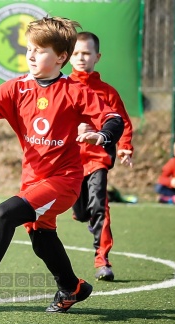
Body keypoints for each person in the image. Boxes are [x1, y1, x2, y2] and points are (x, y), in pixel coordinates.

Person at [0, 17, 125, 313]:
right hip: (33, 180)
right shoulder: (18, 88)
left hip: (63, 181)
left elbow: (112, 118)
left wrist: (102, 135)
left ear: (62, 57)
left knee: (3, 213)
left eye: (40, 49)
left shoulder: (75, 91)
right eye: (29, 49)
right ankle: (72, 287)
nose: (32, 55)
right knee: (40, 234)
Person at [68, 31, 135, 282]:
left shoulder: (107, 92)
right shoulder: (63, 87)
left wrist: (125, 145)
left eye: (86, 53)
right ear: (67, 56)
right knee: (83, 211)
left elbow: (122, 122)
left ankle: (102, 259)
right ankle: (81, 212)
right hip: (70, 160)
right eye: (76, 53)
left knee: (99, 206)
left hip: (97, 158)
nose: (81, 58)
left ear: (97, 56)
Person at [155, 139, 175, 204]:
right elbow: (161, 179)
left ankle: (174, 199)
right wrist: (171, 181)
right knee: (158, 187)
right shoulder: (173, 162)